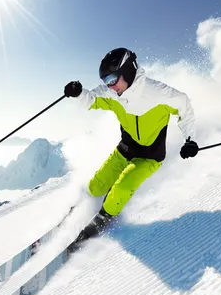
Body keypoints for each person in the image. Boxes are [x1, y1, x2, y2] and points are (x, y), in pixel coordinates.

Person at [64, 47, 199, 244]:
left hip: (150, 156)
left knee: (122, 187)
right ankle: (80, 209)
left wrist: (190, 139)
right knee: (96, 184)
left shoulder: (157, 93)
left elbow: (184, 106)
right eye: (105, 82)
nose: (110, 86)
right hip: (126, 149)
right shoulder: (112, 94)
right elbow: (91, 100)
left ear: (127, 71)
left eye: (112, 80)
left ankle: (103, 218)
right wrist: (77, 93)